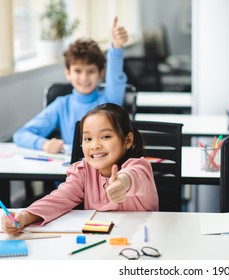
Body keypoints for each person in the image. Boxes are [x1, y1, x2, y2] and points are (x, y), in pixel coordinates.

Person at [2, 103, 158, 235]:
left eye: (106, 137)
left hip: (142, 239)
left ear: (127, 140)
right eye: (88, 139)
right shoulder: (83, 171)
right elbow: (59, 198)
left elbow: (132, 177)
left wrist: (123, 184)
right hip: (100, 240)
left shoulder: (139, 165)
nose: (95, 145)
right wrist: (24, 216)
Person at [13, 16, 129, 154]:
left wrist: (116, 47)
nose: (84, 78)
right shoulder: (61, 105)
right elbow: (21, 135)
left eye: (90, 71)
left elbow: (115, 76)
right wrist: (44, 144)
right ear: (68, 73)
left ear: (101, 73)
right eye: (78, 71)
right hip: (73, 170)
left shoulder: (110, 99)